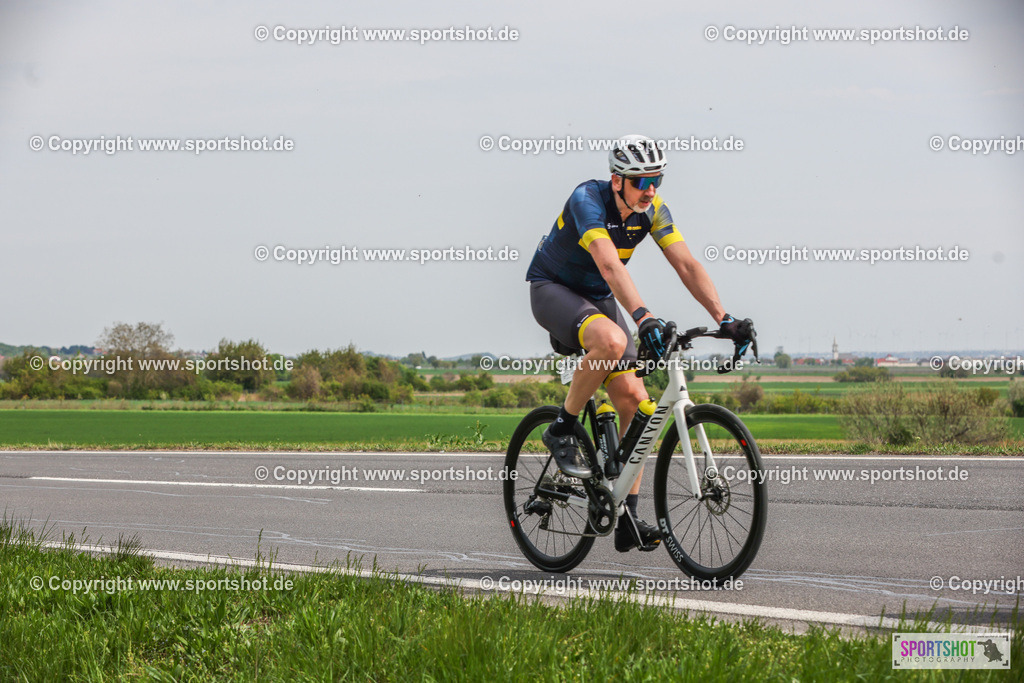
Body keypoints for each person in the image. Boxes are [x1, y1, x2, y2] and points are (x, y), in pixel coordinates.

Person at [525, 134, 756, 552]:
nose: (650, 190)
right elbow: (610, 264)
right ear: (617, 181)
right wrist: (643, 317)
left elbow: (686, 263)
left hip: (596, 298)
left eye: (657, 180)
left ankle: (627, 517)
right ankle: (561, 428)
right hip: (553, 288)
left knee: (634, 398)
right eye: (641, 182)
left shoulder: (652, 211)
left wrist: (724, 319)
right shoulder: (587, 200)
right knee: (613, 340)